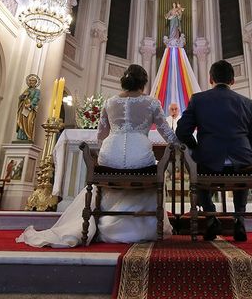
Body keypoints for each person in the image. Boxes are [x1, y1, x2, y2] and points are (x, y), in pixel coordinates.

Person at [17, 64, 178, 248]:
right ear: (143, 83)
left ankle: (105, 224)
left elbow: (101, 135)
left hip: (110, 155)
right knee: (155, 169)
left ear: (123, 82)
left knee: (113, 169)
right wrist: (181, 145)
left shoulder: (110, 102)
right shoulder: (152, 103)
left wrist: (110, 151)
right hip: (140, 156)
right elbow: (167, 134)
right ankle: (142, 227)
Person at [175, 60, 252, 242]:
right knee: (242, 172)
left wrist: (196, 147)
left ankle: (211, 217)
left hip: (209, 162)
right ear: (233, 81)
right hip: (241, 160)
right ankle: (239, 218)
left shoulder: (198, 99)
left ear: (210, 79)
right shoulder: (247, 103)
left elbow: (182, 131)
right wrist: (244, 151)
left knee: (196, 168)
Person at [16, 74, 40, 142]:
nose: (31, 82)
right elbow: (20, 98)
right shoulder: (26, 90)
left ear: (35, 83)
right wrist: (23, 95)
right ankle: (21, 137)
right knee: (22, 122)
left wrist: (30, 104)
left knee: (29, 121)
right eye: (30, 81)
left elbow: (36, 98)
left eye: (32, 81)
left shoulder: (37, 91)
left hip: (30, 109)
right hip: (23, 108)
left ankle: (28, 136)